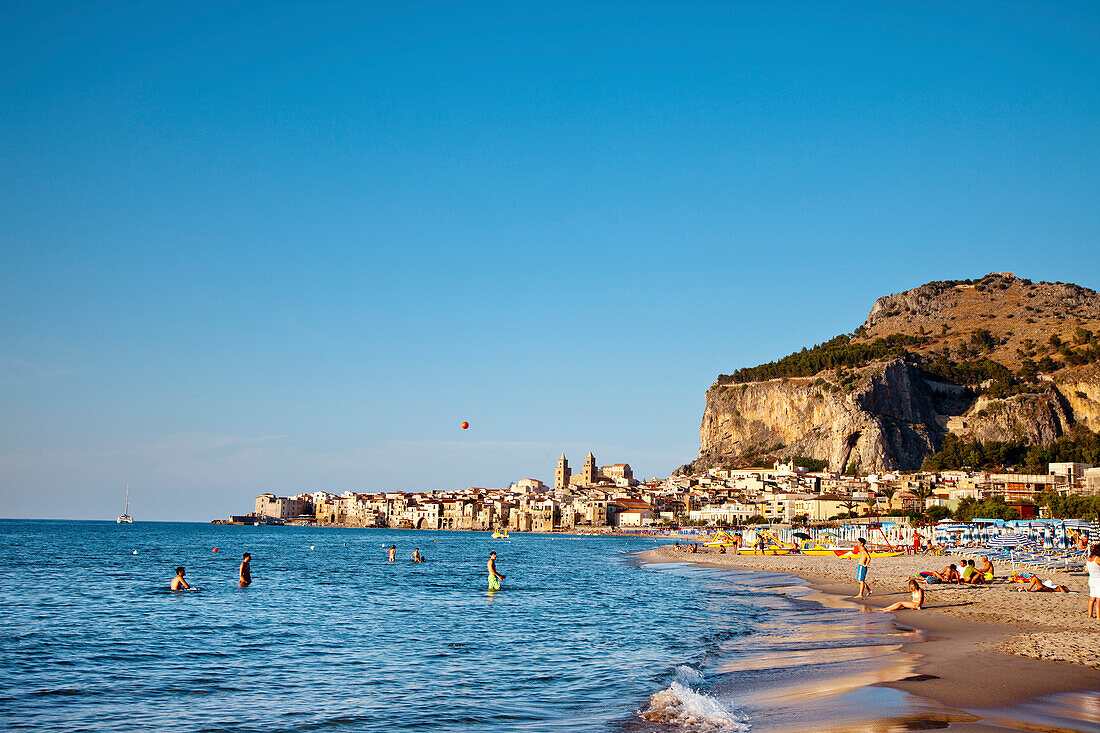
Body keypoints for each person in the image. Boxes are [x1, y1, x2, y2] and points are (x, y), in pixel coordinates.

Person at [1086, 543, 1100, 621]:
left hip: (1091, 580)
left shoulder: (1089, 558)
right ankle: (1098, 616)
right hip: (1098, 580)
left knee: (1092, 599)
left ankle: (1090, 615)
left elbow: (1086, 569)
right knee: (1098, 600)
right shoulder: (1098, 559)